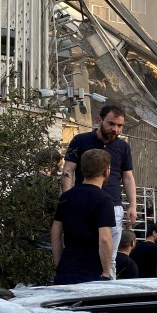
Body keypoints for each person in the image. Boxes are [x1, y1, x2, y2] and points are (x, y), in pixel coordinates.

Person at [62, 105, 136, 280]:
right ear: (99, 120)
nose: (115, 129)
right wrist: (67, 199)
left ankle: (107, 295)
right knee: (80, 251)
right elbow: (68, 171)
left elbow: (128, 176)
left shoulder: (123, 147)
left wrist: (133, 205)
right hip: (84, 205)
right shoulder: (80, 141)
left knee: (110, 259)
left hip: (113, 206)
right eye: (111, 124)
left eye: (119, 126)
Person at [51, 149, 116, 285]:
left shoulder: (66, 197)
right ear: (106, 172)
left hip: (66, 268)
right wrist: (106, 272)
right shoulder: (104, 200)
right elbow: (105, 239)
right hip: (91, 272)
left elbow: (56, 232)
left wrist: (58, 263)